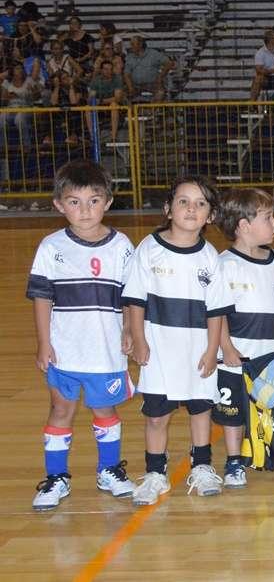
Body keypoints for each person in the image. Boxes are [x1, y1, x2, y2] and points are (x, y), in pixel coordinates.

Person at [27, 162, 136, 510]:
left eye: (94, 201)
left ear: (108, 202)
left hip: (105, 350)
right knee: (60, 409)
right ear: (59, 205)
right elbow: (42, 298)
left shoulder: (121, 246)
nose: (85, 210)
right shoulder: (51, 247)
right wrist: (44, 342)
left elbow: (131, 296)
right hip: (65, 349)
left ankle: (109, 470)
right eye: (74, 202)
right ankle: (56, 476)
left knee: (105, 408)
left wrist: (130, 329)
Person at [123, 175, 234, 505]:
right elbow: (135, 300)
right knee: (157, 415)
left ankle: (201, 466)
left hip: (197, 348)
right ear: (168, 209)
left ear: (211, 215)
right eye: (183, 201)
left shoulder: (210, 257)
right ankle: (155, 473)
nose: (191, 209)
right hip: (158, 347)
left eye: (200, 204)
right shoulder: (149, 249)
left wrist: (213, 349)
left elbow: (216, 310)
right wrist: (138, 338)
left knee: (201, 410)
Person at [214, 189, 274, 488]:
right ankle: (234, 460)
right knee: (234, 412)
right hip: (237, 355)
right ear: (244, 226)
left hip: (269, 352)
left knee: (272, 403)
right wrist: (226, 347)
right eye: (267, 218)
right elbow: (217, 313)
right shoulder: (224, 265)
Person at [123, 36, 174, 102]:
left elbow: (169, 63)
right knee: (122, 94)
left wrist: (160, 76)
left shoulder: (153, 54)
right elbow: (126, 74)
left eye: (133, 44)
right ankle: (131, 109)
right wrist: (130, 87)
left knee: (160, 93)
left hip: (152, 84)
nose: (131, 46)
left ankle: (153, 108)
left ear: (140, 44)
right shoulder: (129, 57)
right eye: (131, 44)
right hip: (135, 85)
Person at [87, 59, 125, 141]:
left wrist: (101, 101)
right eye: (106, 69)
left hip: (116, 106)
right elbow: (91, 97)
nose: (108, 71)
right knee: (87, 108)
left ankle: (113, 136)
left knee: (114, 105)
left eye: (110, 69)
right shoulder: (96, 80)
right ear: (101, 70)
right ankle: (92, 136)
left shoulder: (117, 79)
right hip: (100, 106)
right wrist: (93, 100)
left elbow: (117, 98)